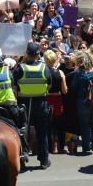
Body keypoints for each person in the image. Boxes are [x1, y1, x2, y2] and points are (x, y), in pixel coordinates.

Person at [14, 41, 53, 169]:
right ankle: (44, 160)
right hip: (40, 104)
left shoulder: (20, 68)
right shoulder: (44, 68)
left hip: (23, 104)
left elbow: (14, 87)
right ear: (38, 54)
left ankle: (22, 159)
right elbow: (49, 85)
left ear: (26, 54)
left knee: (22, 133)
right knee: (42, 133)